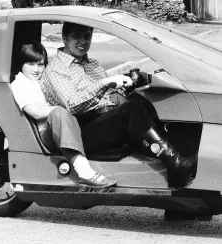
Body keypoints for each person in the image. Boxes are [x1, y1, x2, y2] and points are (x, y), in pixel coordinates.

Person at [41, 22, 197, 187]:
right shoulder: (56, 69)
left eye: (87, 36)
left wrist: (128, 86)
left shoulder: (92, 64)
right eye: (76, 36)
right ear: (64, 38)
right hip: (80, 131)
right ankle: (175, 162)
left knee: (145, 102)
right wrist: (104, 83)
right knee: (131, 109)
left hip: (105, 120)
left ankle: (180, 175)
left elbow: (109, 96)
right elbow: (72, 105)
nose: (83, 41)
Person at [11, 42, 117, 188]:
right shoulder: (20, 84)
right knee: (59, 112)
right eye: (31, 64)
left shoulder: (45, 77)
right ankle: (84, 172)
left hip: (67, 124)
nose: (36, 69)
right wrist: (64, 107)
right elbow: (35, 112)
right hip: (46, 133)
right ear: (21, 64)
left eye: (40, 65)